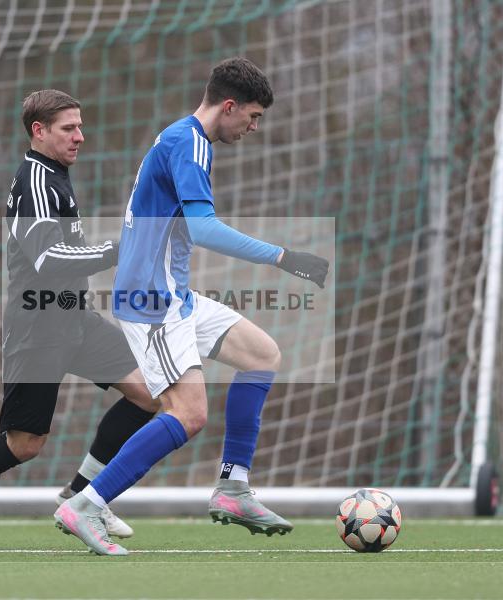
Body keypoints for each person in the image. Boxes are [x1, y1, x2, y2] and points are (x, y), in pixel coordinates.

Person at [54, 58, 329, 555]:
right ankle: (86, 504)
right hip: (152, 300)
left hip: (173, 293)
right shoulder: (189, 142)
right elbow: (203, 230)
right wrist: (284, 257)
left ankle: (233, 488)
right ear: (229, 105)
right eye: (252, 116)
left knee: (262, 354)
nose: (253, 127)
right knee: (187, 414)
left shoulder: (185, 138)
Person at [0, 89, 160, 550]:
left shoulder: (54, 174)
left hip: (72, 317)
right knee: (25, 443)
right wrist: (117, 250)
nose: (80, 136)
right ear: (38, 131)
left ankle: (84, 496)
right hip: (37, 324)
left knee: (151, 390)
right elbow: (48, 256)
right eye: (69, 128)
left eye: (80, 127)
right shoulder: (36, 181)